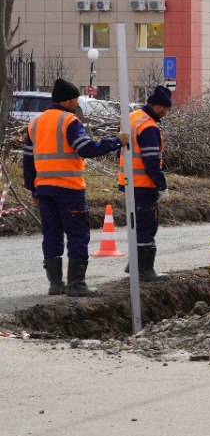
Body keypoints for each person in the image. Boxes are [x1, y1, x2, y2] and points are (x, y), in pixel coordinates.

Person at [22, 79, 126, 297]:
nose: (77, 102)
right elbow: (85, 148)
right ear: (67, 100)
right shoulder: (70, 121)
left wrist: (34, 190)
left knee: (51, 234)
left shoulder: (35, 123)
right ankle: (76, 284)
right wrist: (115, 141)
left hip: (44, 189)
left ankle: (55, 284)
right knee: (77, 234)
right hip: (69, 189)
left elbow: (28, 161)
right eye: (76, 99)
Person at [119, 85, 173, 283]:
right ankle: (144, 270)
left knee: (136, 224)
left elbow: (121, 150)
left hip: (128, 181)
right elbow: (151, 161)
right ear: (159, 106)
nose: (167, 112)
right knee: (147, 225)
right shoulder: (149, 127)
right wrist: (161, 185)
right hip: (143, 183)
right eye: (166, 108)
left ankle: (134, 264)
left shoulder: (131, 118)